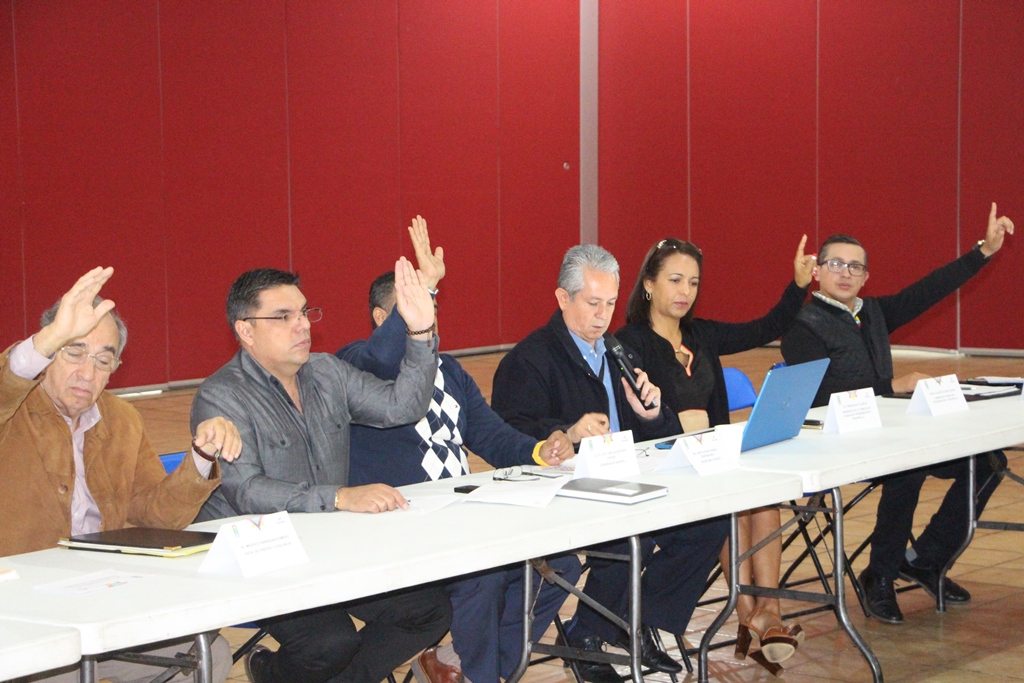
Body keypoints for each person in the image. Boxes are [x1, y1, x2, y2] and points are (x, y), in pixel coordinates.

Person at [337, 217, 582, 683]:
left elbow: (492, 437)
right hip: (400, 526)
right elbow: (382, 355)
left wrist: (540, 451)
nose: (427, 318)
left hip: (460, 518)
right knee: (484, 575)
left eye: (431, 307)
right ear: (382, 320)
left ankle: (463, 666)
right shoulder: (354, 366)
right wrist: (424, 289)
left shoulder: (450, 371)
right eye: (413, 308)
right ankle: (478, 672)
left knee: (559, 567)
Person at [191, 260, 453, 683]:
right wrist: (338, 497)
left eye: (304, 312)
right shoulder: (221, 395)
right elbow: (248, 491)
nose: (302, 325)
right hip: (257, 553)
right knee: (330, 643)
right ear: (245, 330)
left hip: (327, 544)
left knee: (429, 610)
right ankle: (274, 673)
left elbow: (403, 407)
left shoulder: (327, 372)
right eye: (283, 317)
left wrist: (421, 333)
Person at [491, 244, 727, 683]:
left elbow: (660, 436)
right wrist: (566, 432)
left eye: (612, 304)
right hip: (565, 490)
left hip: (626, 480)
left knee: (709, 524)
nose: (603, 316)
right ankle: (592, 635)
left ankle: (624, 624)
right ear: (563, 298)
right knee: (629, 536)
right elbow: (507, 432)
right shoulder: (529, 360)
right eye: (592, 303)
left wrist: (652, 414)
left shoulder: (620, 353)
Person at [781, 203, 1015, 625]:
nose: (846, 273)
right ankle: (880, 575)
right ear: (817, 271)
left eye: (855, 267)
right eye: (836, 264)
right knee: (907, 469)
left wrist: (983, 251)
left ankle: (925, 560)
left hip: (890, 431)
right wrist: (891, 385)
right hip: (833, 441)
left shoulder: (872, 313)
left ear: (866, 277)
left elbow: (929, 289)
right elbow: (818, 397)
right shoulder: (802, 326)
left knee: (988, 461)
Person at [0, 267, 238, 683]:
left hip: (105, 600)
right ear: (49, 352)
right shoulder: (13, 408)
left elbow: (153, 516)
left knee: (208, 657)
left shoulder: (123, 419)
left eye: (103, 360)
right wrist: (46, 340)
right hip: (21, 611)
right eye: (73, 352)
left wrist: (201, 456)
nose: (87, 373)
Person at [616, 235, 814, 669]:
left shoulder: (701, 334)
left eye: (693, 282)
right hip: (668, 468)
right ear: (648, 284)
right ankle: (749, 614)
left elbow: (766, 327)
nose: (685, 291)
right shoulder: (630, 342)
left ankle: (768, 612)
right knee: (732, 505)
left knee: (764, 496)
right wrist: (681, 428)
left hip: (715, 458)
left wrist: (798, 286)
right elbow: (635, 419)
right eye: (675, 280)